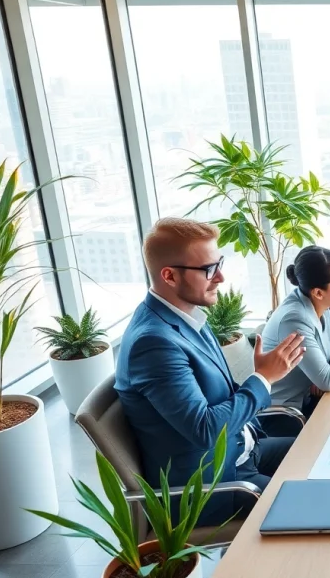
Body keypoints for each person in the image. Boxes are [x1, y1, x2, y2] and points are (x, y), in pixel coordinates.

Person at [115, 218, 306, 524]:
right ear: (169, 276)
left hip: (240, 453)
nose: (220, 277)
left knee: (321, 451)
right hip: (216, 486)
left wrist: (261, 377)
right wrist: (264, 378)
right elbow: (204, 429)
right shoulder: (153, 344)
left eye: (219, 263)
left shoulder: (185, 316)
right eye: (208, 269)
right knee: (310, 511)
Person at [262, 246, 330, 418]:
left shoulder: (320, 306)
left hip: (313, 402)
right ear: (318, 292)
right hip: (286, 415)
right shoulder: (294, 320)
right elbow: (327, 380)